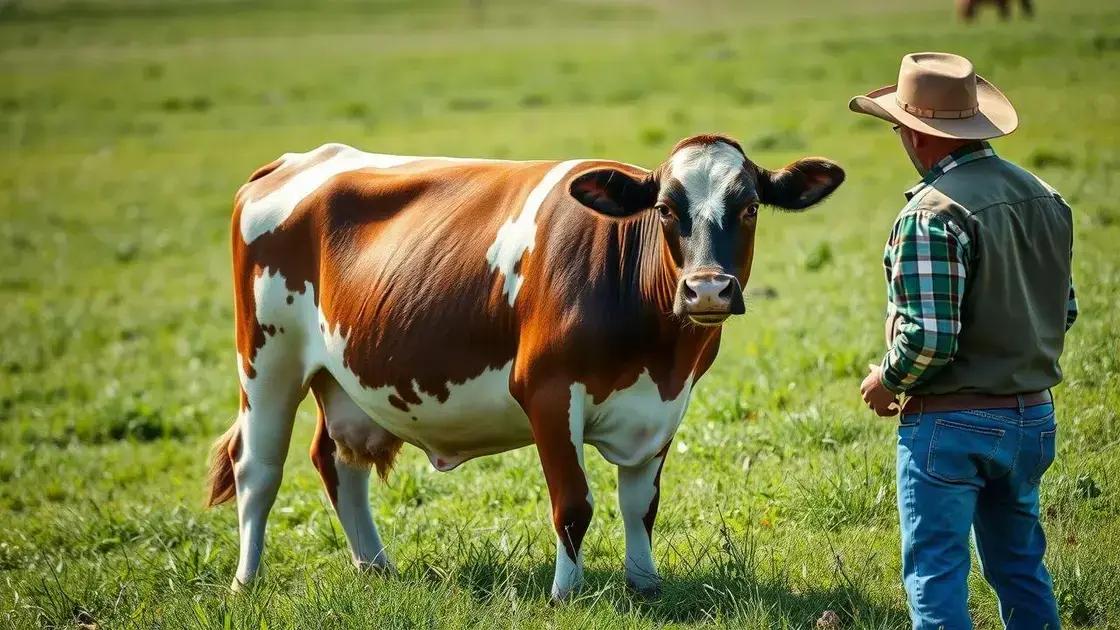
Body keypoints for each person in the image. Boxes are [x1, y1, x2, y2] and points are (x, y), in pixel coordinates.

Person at [848, 52, 1076, 629]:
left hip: (951, 425)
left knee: (936, 573)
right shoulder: (1045, 196)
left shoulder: (930, 214)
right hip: (1033, 418)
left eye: (899, 127)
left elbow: (930, 339)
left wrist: (886, 381)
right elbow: (1064, 310)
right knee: (1020, 565)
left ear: (918, 135)